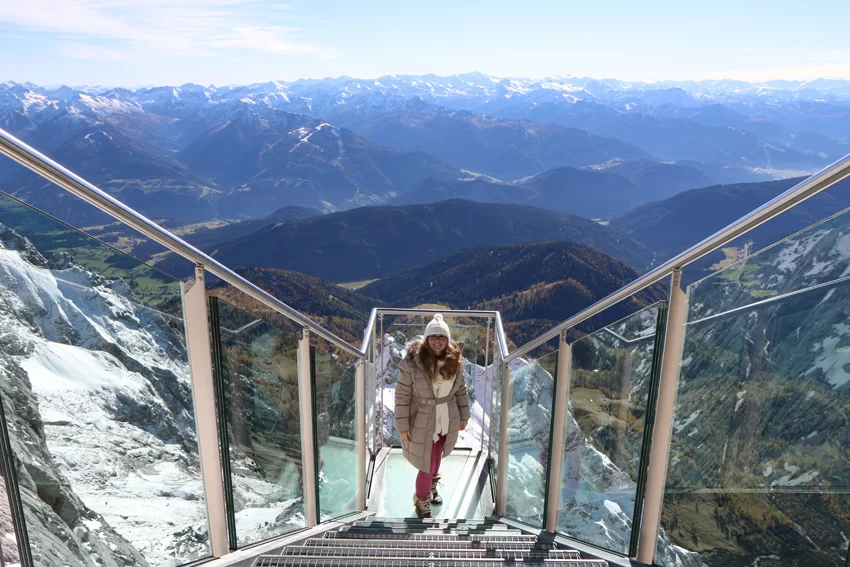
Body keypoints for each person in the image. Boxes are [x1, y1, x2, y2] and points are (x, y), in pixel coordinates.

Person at [394, 314, 470, 518]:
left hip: (446, 417)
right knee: (426, 465)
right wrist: (402, 426)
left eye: (442, 337)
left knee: (437, 455)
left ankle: (430, 487)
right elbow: (402, 396)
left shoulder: (455, 361)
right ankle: (421, 500)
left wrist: (464, 415)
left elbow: (460, 390)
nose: (438, 340)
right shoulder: (411, 363)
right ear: (426, 339)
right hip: (423, 418)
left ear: (448, 340)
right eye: (433, 336)